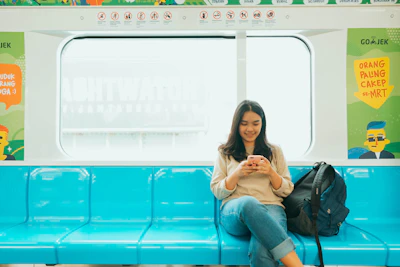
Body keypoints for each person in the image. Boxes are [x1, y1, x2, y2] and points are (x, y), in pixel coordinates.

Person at [210, 100, 303, 267]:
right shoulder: (225, 152)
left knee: (262, 249)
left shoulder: (275, 151)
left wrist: (270, 172)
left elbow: (287, 190)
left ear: (263, 124)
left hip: (271, 208)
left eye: (255, 123)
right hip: (235, 212)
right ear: (237, 125)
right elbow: (218, 191)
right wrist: (237, 174)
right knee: (249, 202)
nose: (250, 129)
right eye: (244, 123)